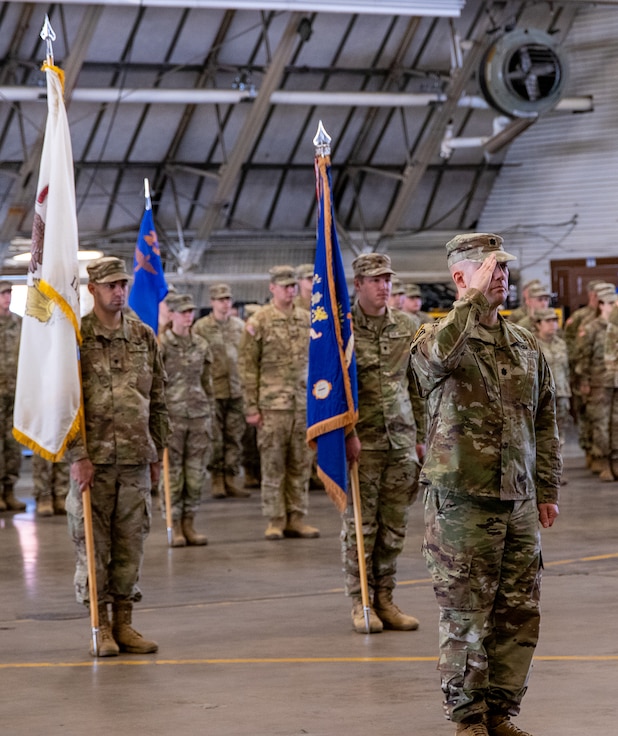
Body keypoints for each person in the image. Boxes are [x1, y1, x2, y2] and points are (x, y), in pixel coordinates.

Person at [410, 233, 561, 736]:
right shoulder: (434, 338)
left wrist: (547, 489)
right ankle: (469, 717)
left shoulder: (523, 342)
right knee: (466, 616)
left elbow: (544, 419)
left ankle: (501, 712)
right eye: (492, 267)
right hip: (462, 504)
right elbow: (436, 361)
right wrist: (471, 301)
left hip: (517, 501)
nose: (503, 275)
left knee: (518, 613)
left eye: (504, 267)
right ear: (461, 277)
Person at [66, 256, 170, 658]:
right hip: (93, 463)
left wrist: (157, 454)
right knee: (94, 549)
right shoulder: (76, 337)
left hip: (135, 461)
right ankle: (100, 626)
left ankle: (124, 623)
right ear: (92, 289)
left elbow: (158, 399)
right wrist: (77, 455)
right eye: (110, 285)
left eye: (122, 283)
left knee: (131, 546)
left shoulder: (143, 336)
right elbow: (67, 404)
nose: (119, 291)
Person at [343, 253, 424, 634]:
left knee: (394, 528)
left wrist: (422, 438)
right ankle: (362, 603)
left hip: (402, 441)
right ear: (357, 284)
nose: (384, 285)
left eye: (387, 278)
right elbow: (329, 393)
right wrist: (346, 435)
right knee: (362, 528)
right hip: (363, 444)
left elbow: (417, 385)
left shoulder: (406, 326)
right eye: (375, 279)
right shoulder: (342, 331)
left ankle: (386, 599)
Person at [238, 265, 319, 540]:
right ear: (272, 287)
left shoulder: (306, 319)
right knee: (273, 466)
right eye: (284, 286)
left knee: (300, 464)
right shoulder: (259, 321)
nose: (290, 290)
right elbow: (247, 366)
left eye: (292, 285)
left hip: (302, 404)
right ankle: (275, 519)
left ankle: (296, 517)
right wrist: (251, 407)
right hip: (272, 407)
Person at [160, 293, 213, 546]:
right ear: (171, 315)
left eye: (190, 311)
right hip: (172, 419)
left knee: (195, 475)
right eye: (182, 312)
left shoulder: (201, 345)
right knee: (173, 475)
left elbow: (207, 383)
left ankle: (190, 522)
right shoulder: (161, 345)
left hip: (198, 417)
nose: (188, 316)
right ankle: (174, 523)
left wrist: (208, 411)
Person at [194, 283, 249, 498]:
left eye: (227, 299)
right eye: (220, 300)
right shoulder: (201, 327)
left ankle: (231, 478)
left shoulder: (239, 326)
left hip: (236, 390)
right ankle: (217, 478)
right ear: (212, 302)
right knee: (215, 438)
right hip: (213, 390)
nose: (225, 303)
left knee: (234, 437)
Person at [574, 283, 618, 480]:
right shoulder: (590, 328)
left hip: (615, 381)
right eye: (609, 303)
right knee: (600, 423)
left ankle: (616, 459)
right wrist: (584, 381)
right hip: (598, 382)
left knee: (616, 422)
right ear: (600, 304)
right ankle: (602, 460)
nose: (612, 307)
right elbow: (583, 356)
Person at [533, 308, 571, 481]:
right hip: (540, 396)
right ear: (538, 324)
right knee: (539, 434)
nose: (553, 325)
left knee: (559, 434)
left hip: (561, 394)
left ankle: (555, 472)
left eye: (554, 321)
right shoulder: (532, 344)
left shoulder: (561, 343)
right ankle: (539, 474)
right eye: (548, 321)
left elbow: (566, 370)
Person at [0, 280, 26, 513]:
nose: (6, 298)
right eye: (3, 294)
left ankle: (10, 491)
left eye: (9, 293)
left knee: (12, 445)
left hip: (15, 394)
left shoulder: (20, 324)